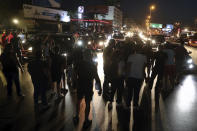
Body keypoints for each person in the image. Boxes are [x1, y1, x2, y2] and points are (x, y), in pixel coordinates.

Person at [73, 49, 101, 129]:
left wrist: (74, 84)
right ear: (90, 55)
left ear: (84, 55)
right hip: (88, 85)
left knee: (78, 101)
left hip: (80, 84)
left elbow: (74, 75)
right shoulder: (93, 65)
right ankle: (86, 120)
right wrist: (100, 88)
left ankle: (76, 116)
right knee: (88, 103)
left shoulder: (78, 64)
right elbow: (96, 77)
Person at [126, 44, 147, 109]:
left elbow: (128, 67)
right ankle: (135, 105)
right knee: (136, 91)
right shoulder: (144, 57)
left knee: (129, 91)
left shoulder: (131, 56)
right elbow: (144, 68)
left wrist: (126, 76)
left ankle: (128, 104)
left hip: (131, 76)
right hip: (139, 77)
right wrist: (144, 76)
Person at [108, 43, 126, 110]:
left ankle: (113, 102)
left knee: (116, 90)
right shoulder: (118, 62)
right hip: (118, 78)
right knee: (116, 90)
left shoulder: (114, 62)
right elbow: (124, 69)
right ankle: (115, 102)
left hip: (117, 78)